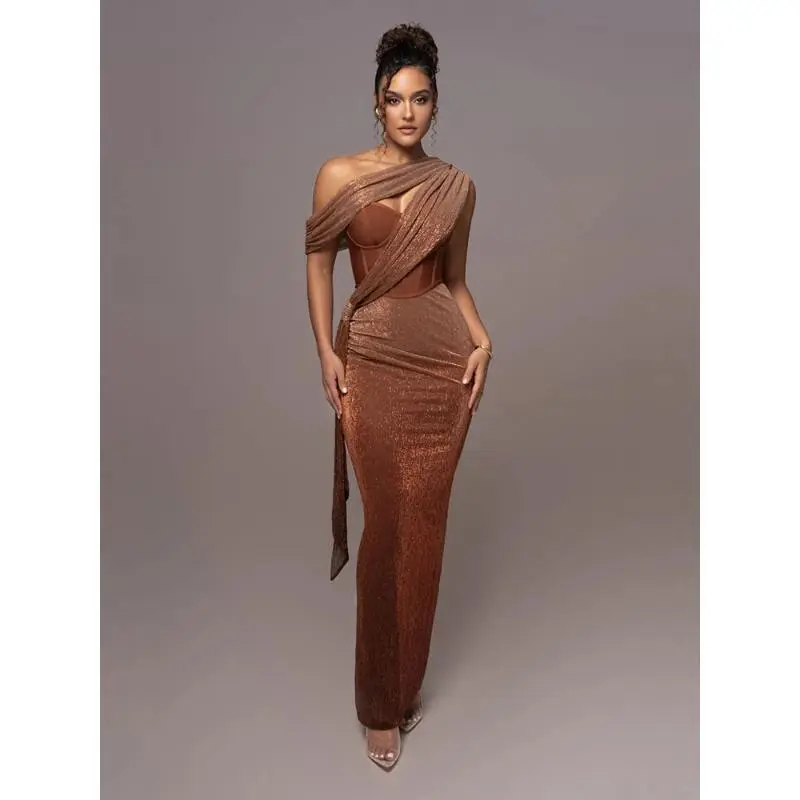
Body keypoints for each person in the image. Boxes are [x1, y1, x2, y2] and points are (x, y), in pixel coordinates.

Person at [304, 22, 492, 770]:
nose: (407, 112)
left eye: (420, 99)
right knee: (386, 527)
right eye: (394, 98)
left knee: (425, 530)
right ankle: (379, 704)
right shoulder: (339, 176)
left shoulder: (456, 188)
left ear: (435, 105)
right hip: (372, 361)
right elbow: (319, 264)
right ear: (376, 103)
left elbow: (455, 281)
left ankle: (405, 680)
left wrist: (483, 341)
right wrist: (325, 350)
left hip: (442, 367)